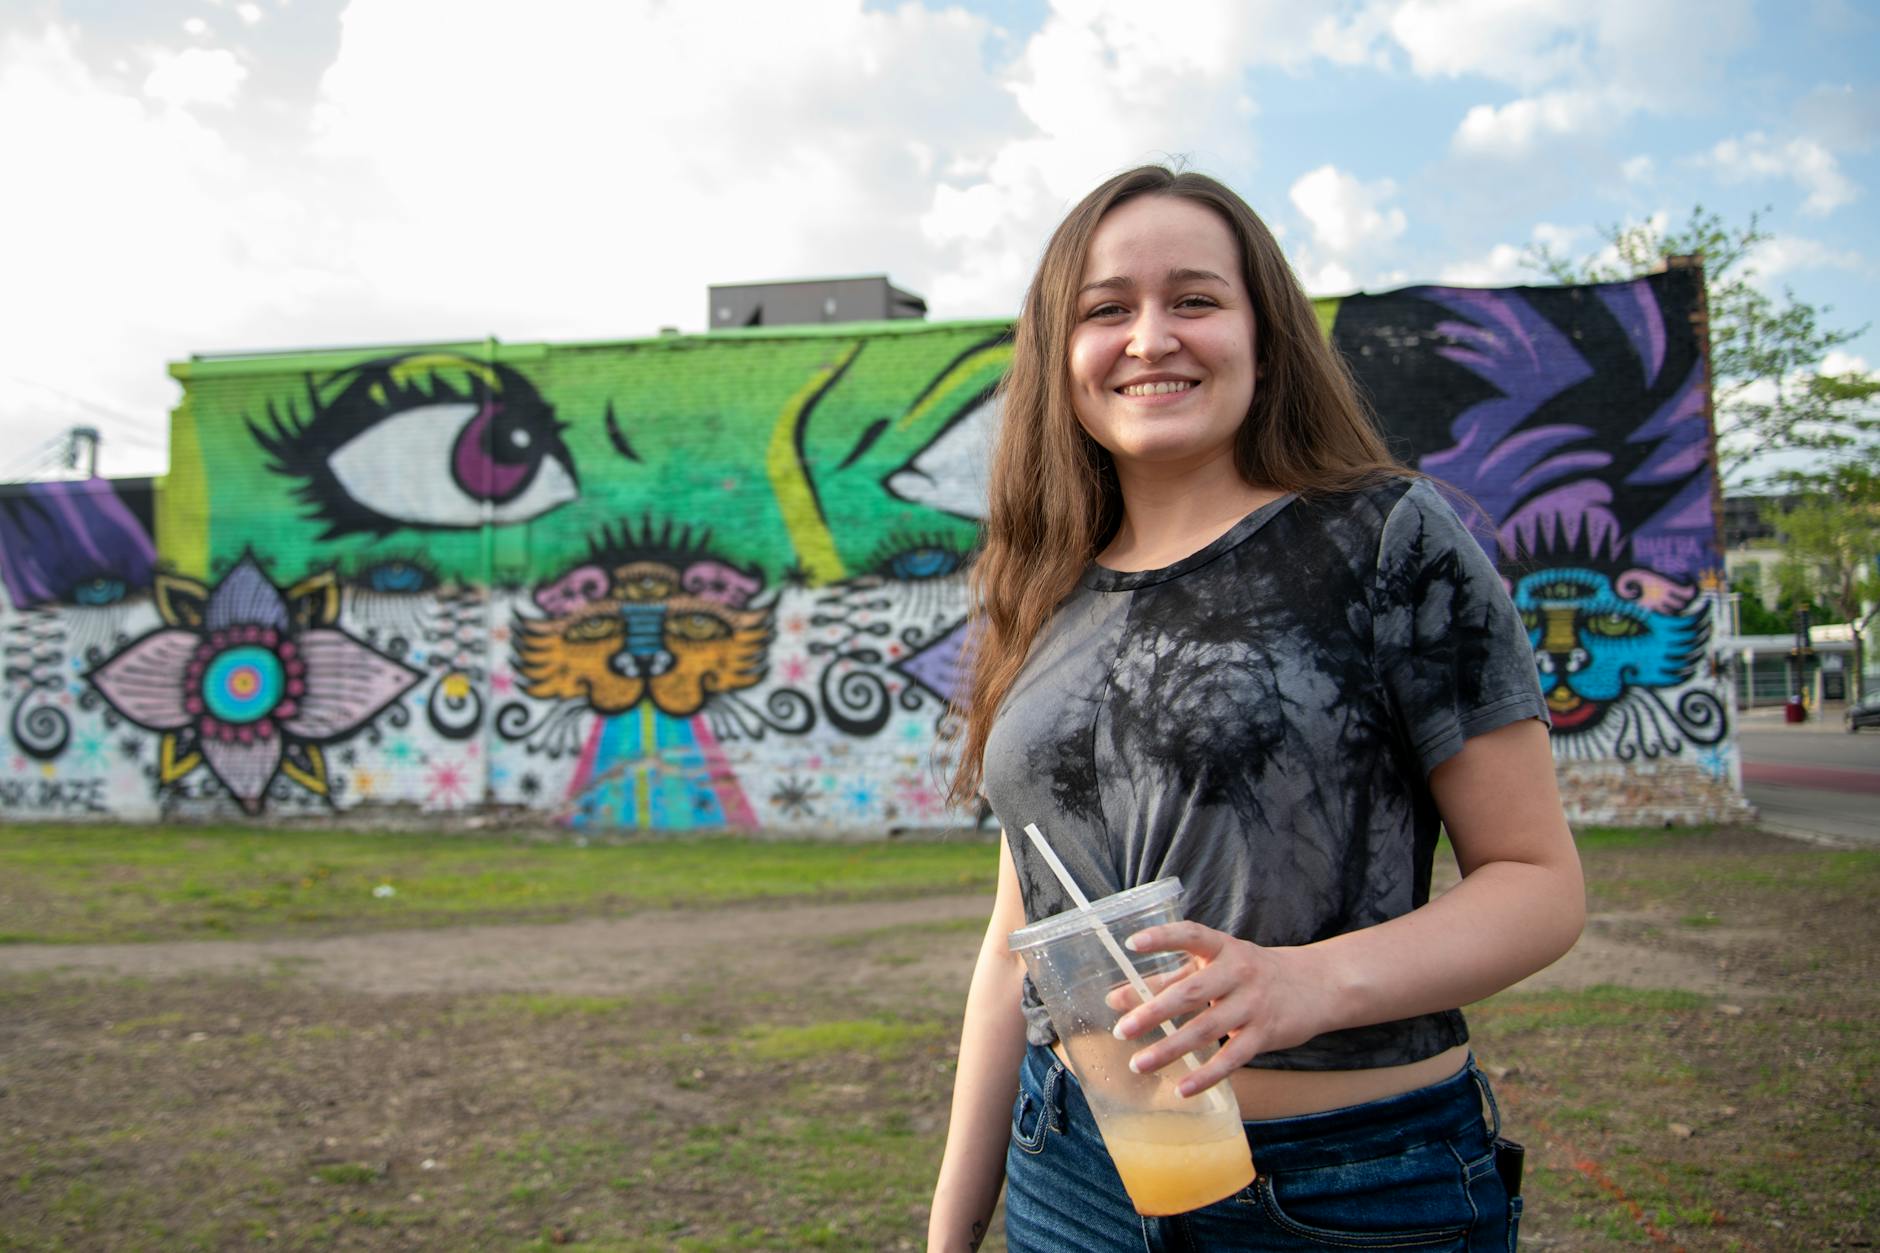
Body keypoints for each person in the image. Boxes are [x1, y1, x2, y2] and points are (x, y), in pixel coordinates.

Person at [925, 165, 1584, 1253]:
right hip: (1073, 1171)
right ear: (1060, 355)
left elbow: (1537, 885)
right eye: (1105, 309)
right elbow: (1017, 942)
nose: (1149, 337)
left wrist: (1295, 985)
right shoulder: (1039, 587)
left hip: (1350, 1187)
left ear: (1262, 335)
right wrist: (950, 1230)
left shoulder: (1386, 539)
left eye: (1193, 299)